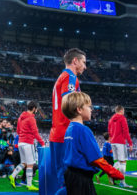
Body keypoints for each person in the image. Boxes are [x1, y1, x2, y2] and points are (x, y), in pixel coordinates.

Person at [62, 92, 123, 195]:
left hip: (70, 174)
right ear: (79, 109)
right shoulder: (84, 130)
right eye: (89, 106)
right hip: (82, 178)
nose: (91, 109)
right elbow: (96, 159)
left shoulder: (69, 129)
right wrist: (114, 172)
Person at [48, 48, 86, 193]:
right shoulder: (70, 77)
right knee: (68, 180)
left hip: (57, 132)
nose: (85, 66)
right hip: (65, 133)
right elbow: (69, 103)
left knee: (62, 178)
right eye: (83, 62)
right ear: (75, 61)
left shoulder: (62, 76)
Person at [9, 101, 45, 191]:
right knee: (30, 164)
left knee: (24, 163)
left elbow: (17, 131)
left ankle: (12, 175)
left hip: (21, 142)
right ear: (34, 109)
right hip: (28, 142)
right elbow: (35, 132)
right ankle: (29, 185)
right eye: (36, 109)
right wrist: (42, 142)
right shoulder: (31, 119)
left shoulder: (20, 118)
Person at [108, 105, 133, 188]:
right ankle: (122, 182)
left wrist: (112, 140)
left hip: (113, 142)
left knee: (118, 162)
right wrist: (130, 143)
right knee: (123, 162)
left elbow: (109, 132)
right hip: (120, 142)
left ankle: (110, 173)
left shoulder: (111, 119)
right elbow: (126, 131)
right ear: (121, 110)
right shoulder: (122, 118)